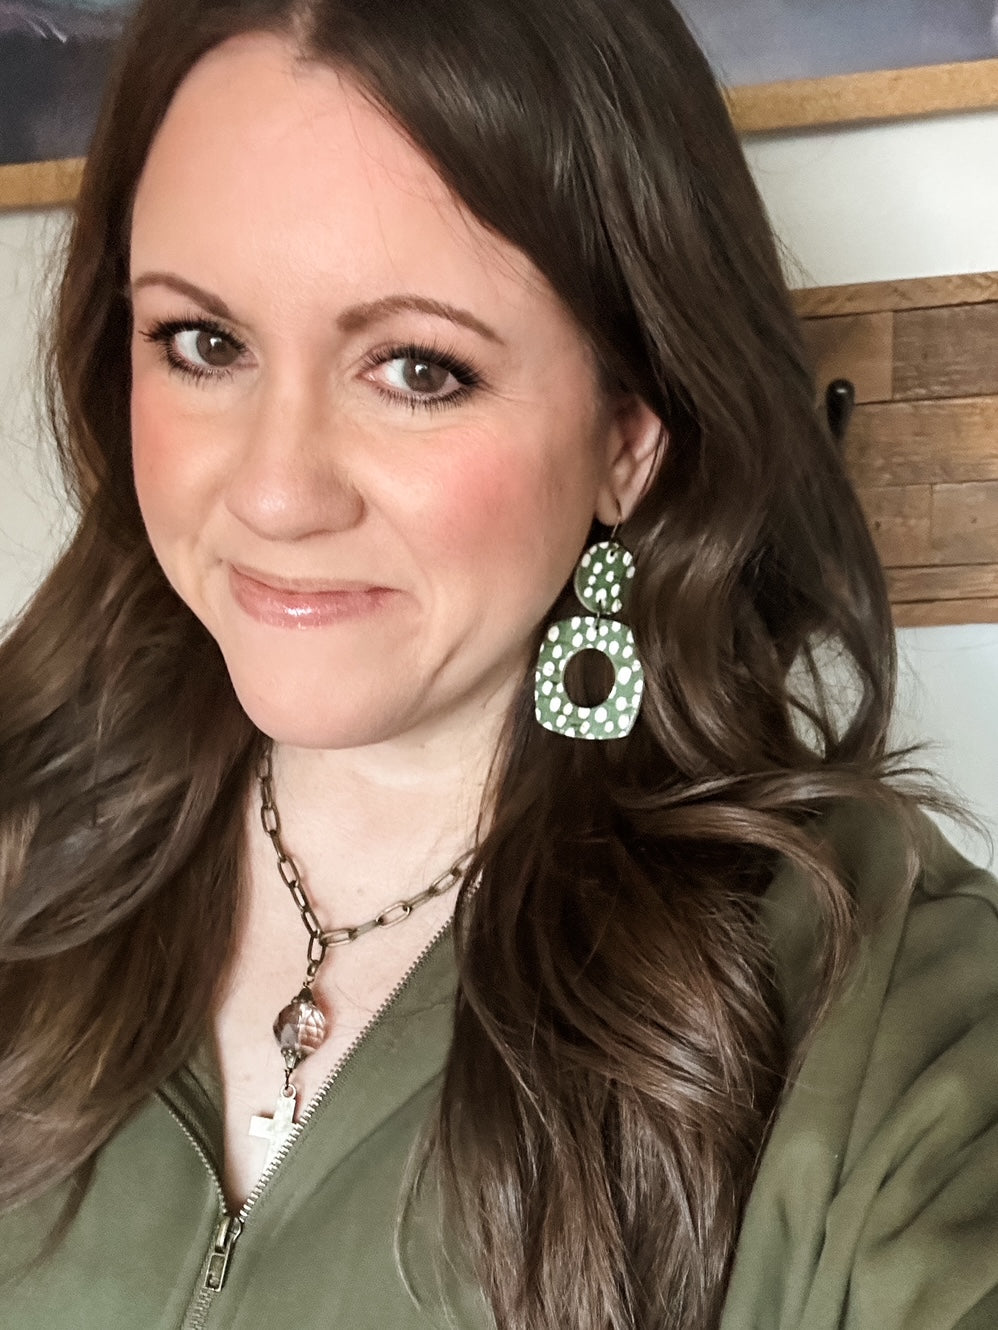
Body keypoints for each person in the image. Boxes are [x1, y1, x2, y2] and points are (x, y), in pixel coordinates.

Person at [0, 0, 996, 1326]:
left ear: (627, 434)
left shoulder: (883, 1015)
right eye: (204, 342)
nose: (278, 491)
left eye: (417, 368)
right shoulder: (26, 834)